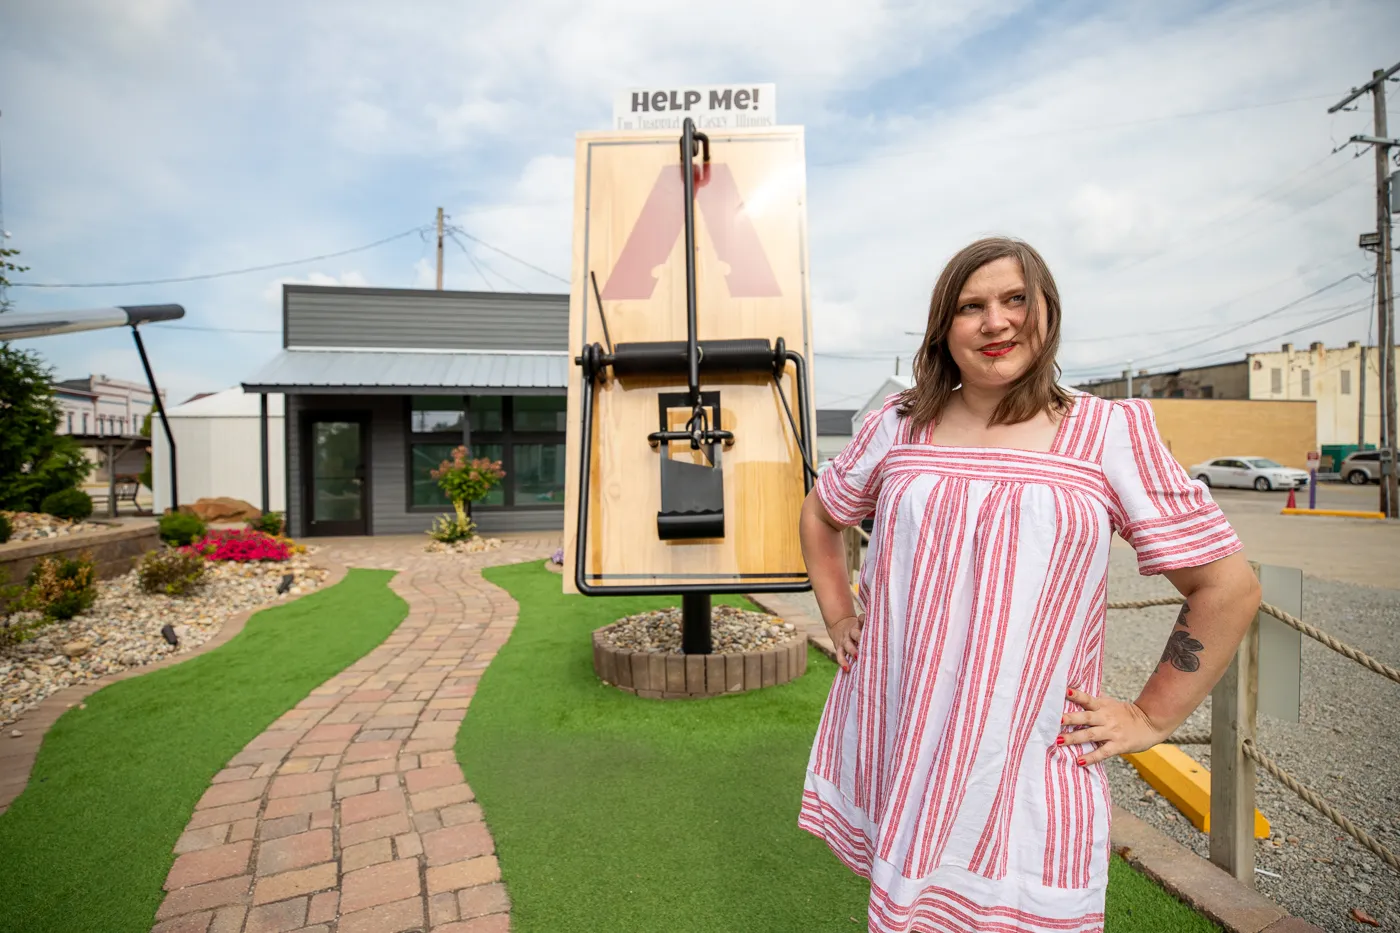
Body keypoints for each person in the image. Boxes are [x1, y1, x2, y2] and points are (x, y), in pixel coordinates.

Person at [797, 236, 1261, 933]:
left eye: (1016, 299)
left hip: (1024, 760)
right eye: (971, 306)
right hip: (909, 737)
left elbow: (1227, 586)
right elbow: (821, 513)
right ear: (942, 330)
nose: (996, 322)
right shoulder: (899, 426)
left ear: (1047, 311)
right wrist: (838, 617)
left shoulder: (1107, 433)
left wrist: (1150, 717)